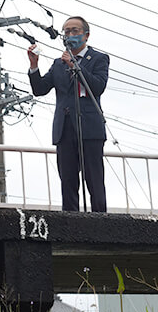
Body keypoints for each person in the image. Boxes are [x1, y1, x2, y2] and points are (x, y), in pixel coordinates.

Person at [27, 16, 110, 212]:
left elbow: (97, 87)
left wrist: (75, 66)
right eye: (67, 31)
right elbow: (40, 89)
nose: (70, 35)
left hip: (89, 127)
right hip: (64, 128)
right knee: (68, 180)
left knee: (94, 179)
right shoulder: (58, 64)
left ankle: (101, 222)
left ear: (86, 35)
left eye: (75, 31)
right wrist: (34, 66)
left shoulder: (98, 59)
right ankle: (71, 223)